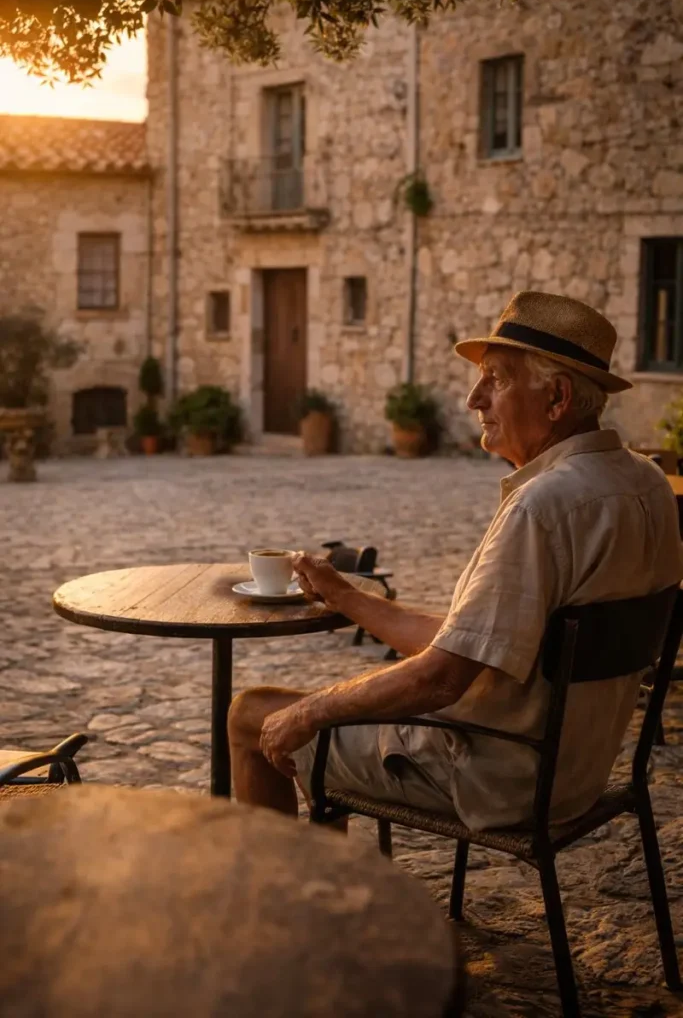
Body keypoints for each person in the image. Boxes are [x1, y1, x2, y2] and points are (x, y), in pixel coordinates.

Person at [228, 291, 683, 832]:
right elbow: (471, 644)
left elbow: (443, 679)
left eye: (497, 378)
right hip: (575, 769)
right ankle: (334, 890)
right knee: (317, 711)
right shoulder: (646, 482)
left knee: (253, 716)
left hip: (492, 771)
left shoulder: (544, 507)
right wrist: (348, 598)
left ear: (557, 397)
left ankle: (297, 908)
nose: (474, 398)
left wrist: (308, 712)